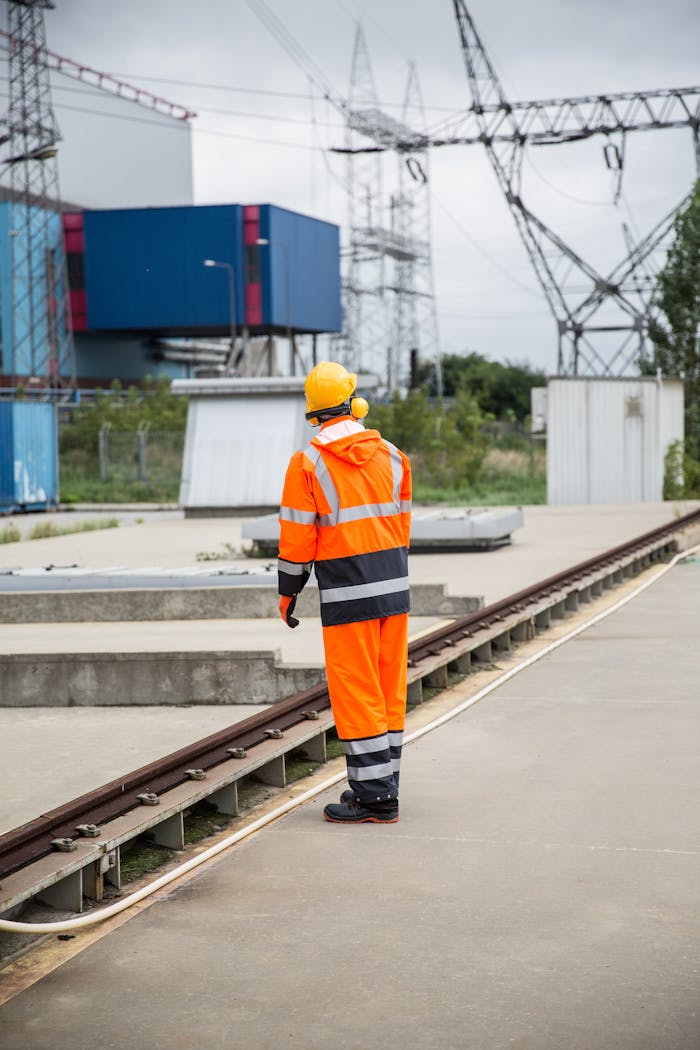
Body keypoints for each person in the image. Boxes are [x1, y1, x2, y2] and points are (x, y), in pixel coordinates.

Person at [277, 361, 412, 824]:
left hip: (348, 592)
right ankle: (385, 783)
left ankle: (375, 797)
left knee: (357, 689)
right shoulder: (393, 456)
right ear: (355, 403)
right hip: (394, 589)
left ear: (313, 412)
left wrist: (288, 591)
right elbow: (402, 526)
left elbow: (298, 537)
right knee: (388, 687)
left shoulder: (308, 462)